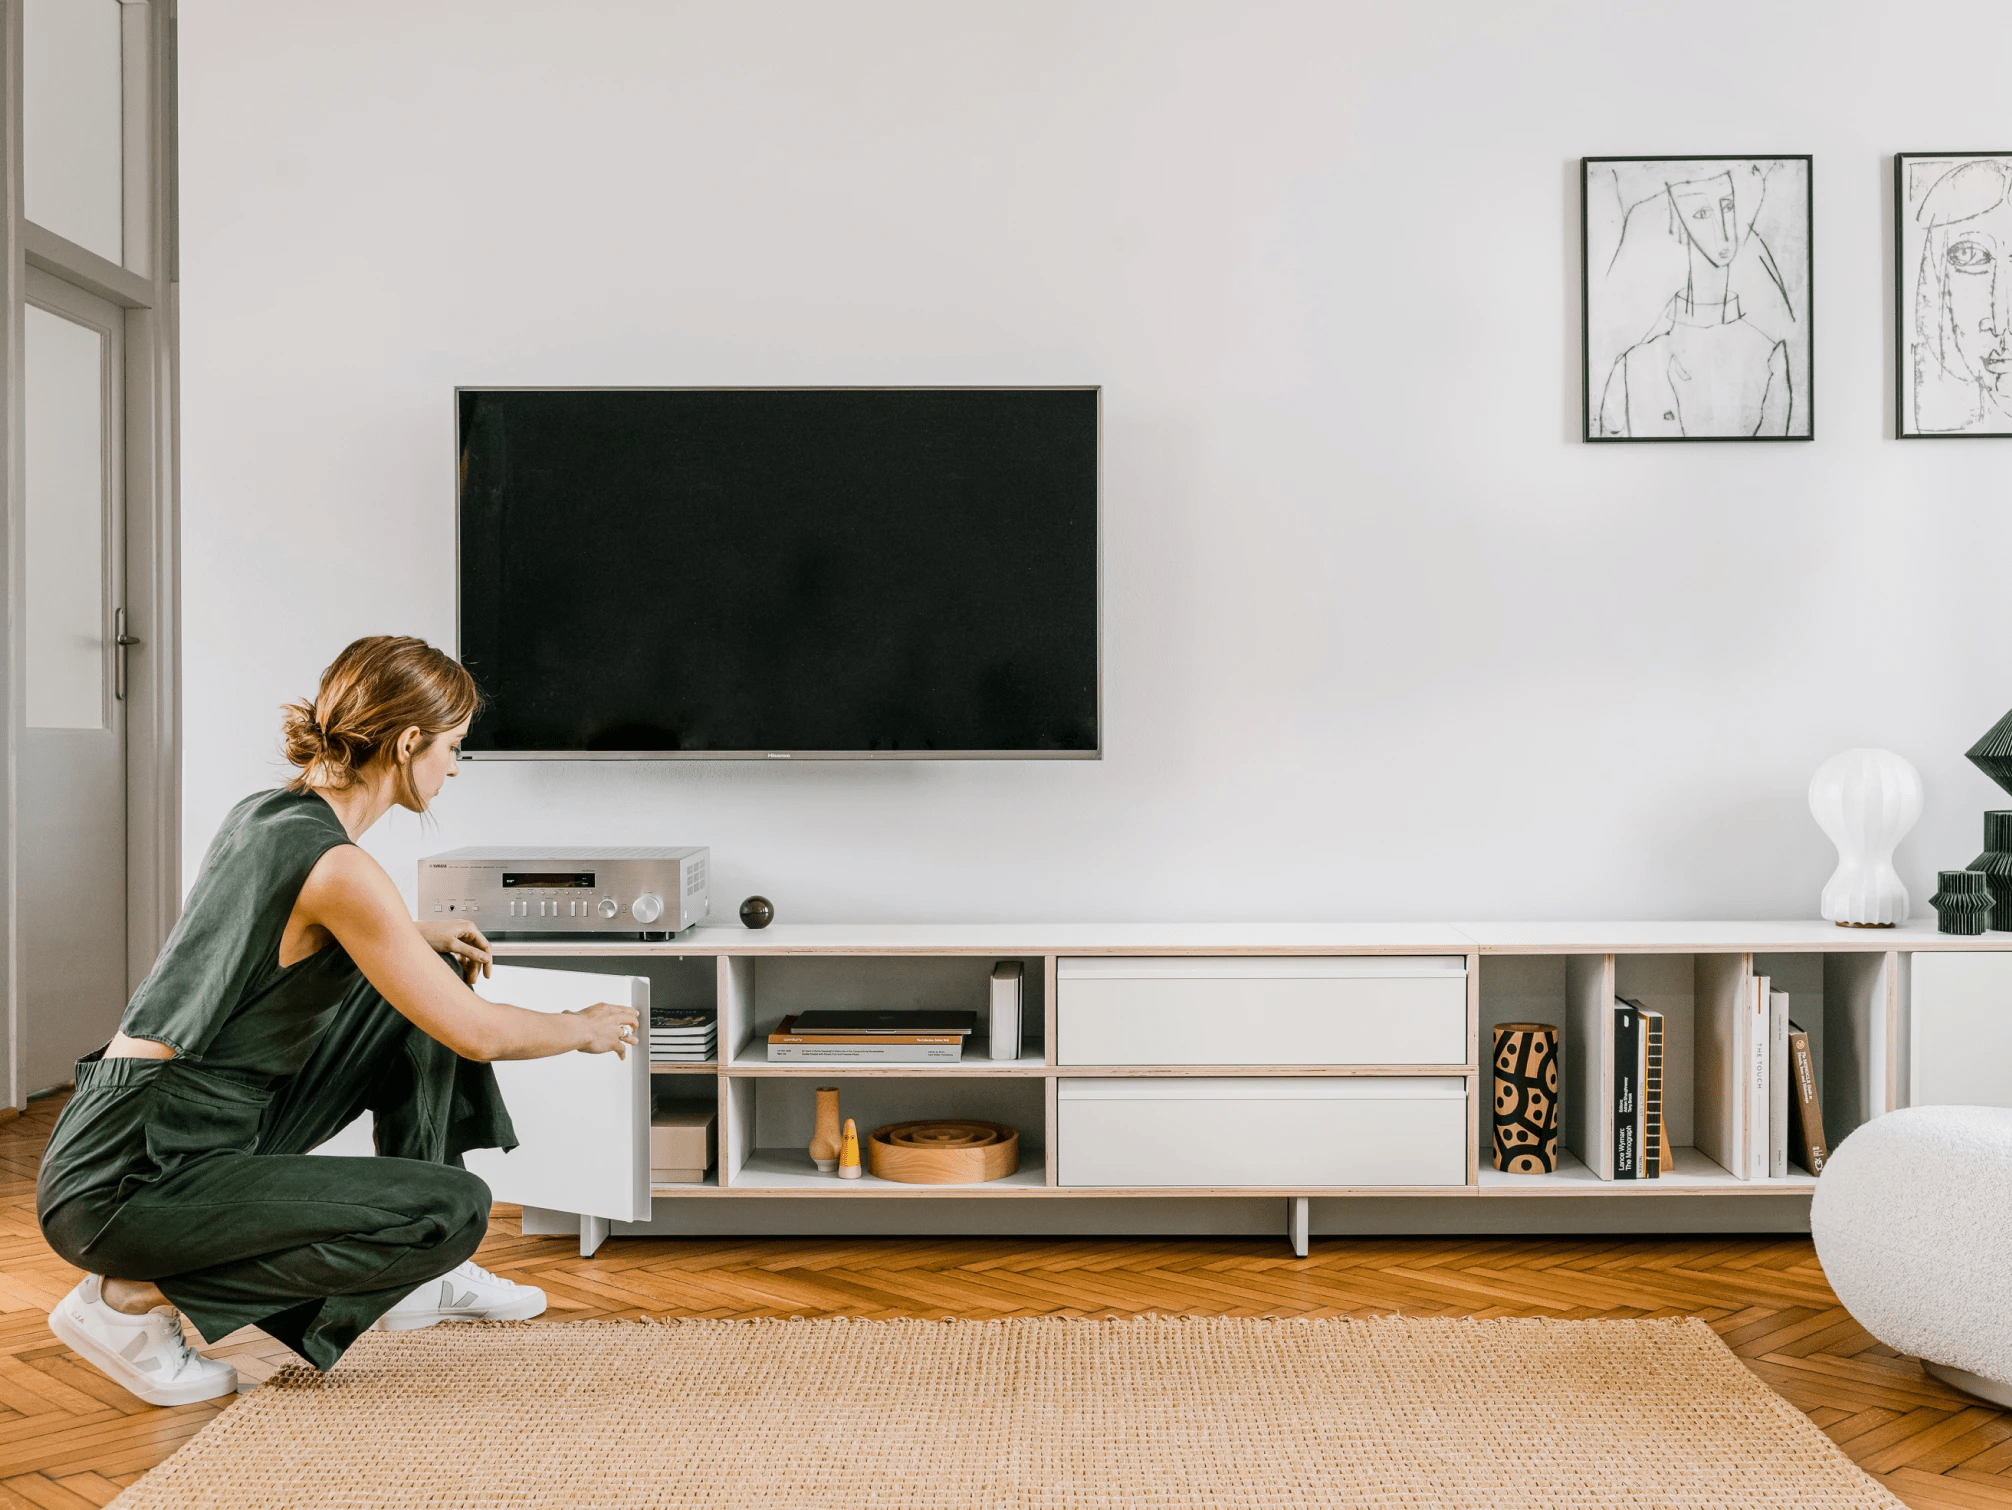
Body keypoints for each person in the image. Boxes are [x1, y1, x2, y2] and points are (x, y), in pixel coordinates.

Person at [34, 635, 640, 1405]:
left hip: (167, 1121)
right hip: (130, 1178)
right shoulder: (341, 870)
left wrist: (414, 938)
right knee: (449, 1212)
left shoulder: (269, 814)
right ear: (410, 742)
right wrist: (581, 1026)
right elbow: (476, 1032)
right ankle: (129, 1301)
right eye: (453, 748)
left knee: (430, 978)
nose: (454, 768)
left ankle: (425, 1286)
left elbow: (264, 946)